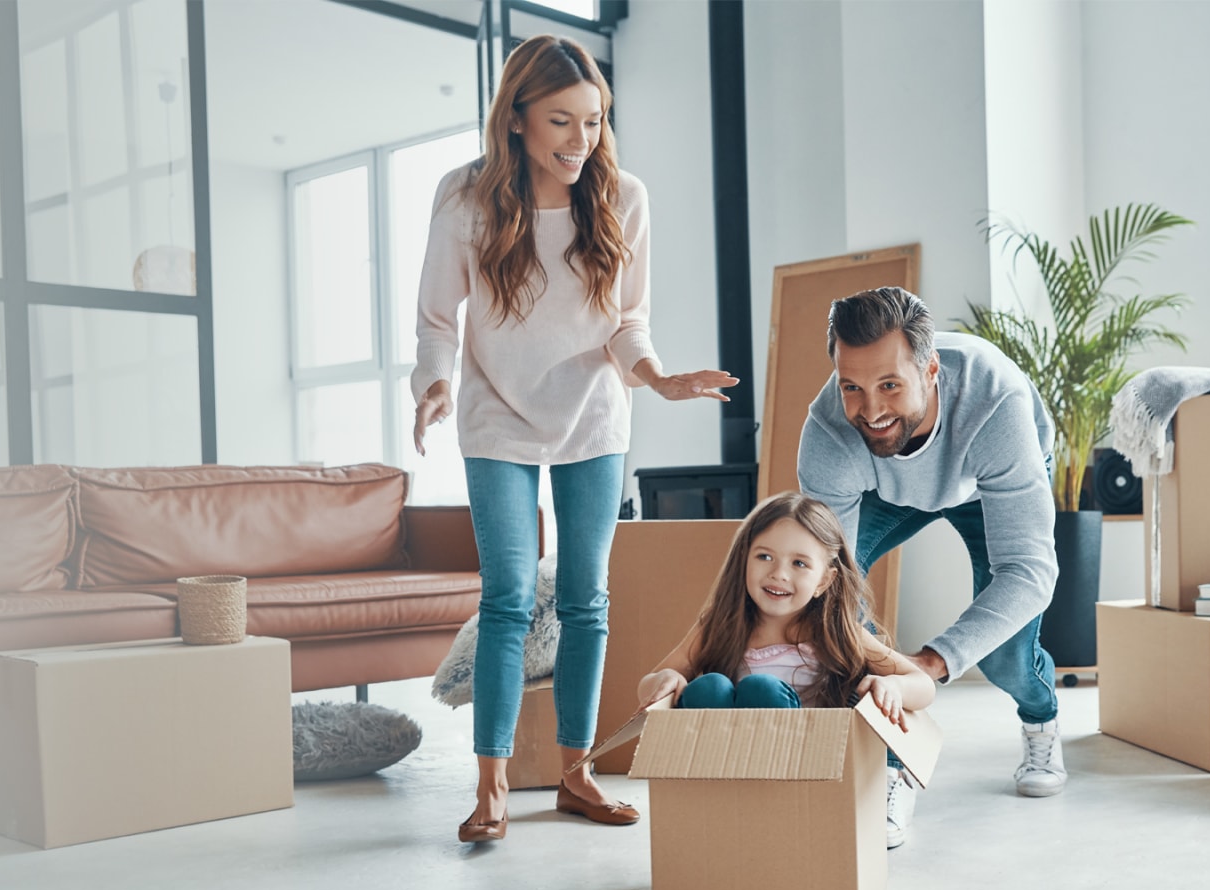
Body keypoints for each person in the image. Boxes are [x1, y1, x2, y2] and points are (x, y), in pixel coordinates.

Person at [411, 35, 739, 844]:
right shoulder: (466, 198)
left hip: (594, 415)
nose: (580, 141)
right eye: (562, 121)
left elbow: (627, 322)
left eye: (593, 122)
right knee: (510, 598)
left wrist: (657, 377)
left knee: (588, 599)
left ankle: (574, 774)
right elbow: (434, 318)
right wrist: (437, 384)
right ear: (515, 118)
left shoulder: (622, 197)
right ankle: (490, 785)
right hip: (495, 417)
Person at [796, 287, 1068, 832]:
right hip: (887, 488)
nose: (870, 410)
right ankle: (892, 768)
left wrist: (933, 662)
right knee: (833, 604)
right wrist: (883, 672)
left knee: (1001, 659)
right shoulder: (831, 431)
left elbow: (1031, 572)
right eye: (852, 387)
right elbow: (824, 580)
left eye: (890, 385)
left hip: (984, 480)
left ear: (931, 370)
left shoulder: (998, 406)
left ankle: (1041, 721)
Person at [636, 492, 936, 847]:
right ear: (744, 561)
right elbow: (647, 692)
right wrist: (666, 679)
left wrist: (894, 688)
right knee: (709, 688)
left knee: (761, 690)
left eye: (799, 564)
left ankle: (888, 779)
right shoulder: (720, 626)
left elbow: (923, 685)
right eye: (765, 557)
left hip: (809, 767)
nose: (778, 574)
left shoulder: (836, 632)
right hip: (731, 763)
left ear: (825, 580)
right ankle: (721, 801)